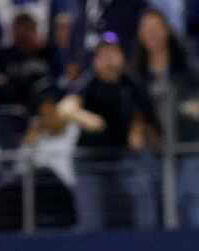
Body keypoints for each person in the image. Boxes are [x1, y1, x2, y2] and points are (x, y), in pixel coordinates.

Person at [59, 35, 156, 232]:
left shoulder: (131, 82)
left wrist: (136, 130)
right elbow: (65, 108)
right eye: (103, 54)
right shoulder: (89, 81)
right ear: (96, 60)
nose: (109, 59)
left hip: (122, 157)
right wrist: (87, 118)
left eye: (113, 52)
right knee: (91, 222)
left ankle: (147, 248)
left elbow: (145, 113)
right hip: (89, 161)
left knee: (143, 200)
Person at [133, 8, 199, 229]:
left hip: (190, 144)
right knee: (152, 201)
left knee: (189, 198)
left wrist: (198, 104)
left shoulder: (187, 63)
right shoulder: (137, 72)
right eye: (146, 29)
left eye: (155, 28)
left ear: (166, 30)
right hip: (154, 148)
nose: (151, 33)